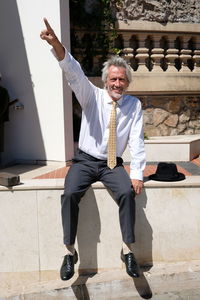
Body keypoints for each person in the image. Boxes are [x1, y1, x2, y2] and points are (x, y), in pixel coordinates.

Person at [40, 18, 146, 281]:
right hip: (85, 161)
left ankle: (127, 250)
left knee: (126, 193)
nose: (117, 84)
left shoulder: (134, 106)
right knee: (69, 194)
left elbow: (137, 141)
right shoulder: (90, 95)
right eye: (113, 79)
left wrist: (138, 173)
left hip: (113, 164)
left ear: (127, 83)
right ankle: (69, 252)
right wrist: (56, 45)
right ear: (105, 80)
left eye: (122, 80)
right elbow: (73, 70)